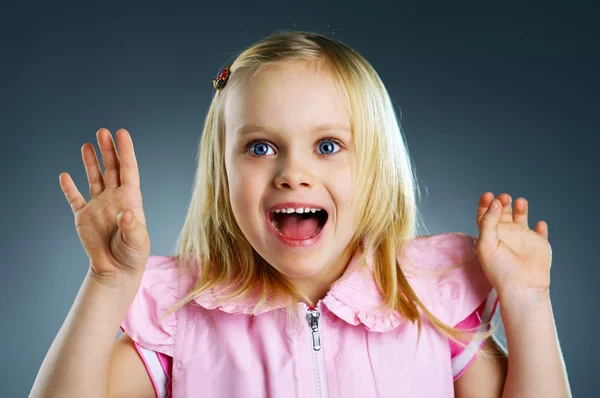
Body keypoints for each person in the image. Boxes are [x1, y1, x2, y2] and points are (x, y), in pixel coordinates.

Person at [31, 31, 571, 398]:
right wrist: (108, 283)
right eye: (261, 147)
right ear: (223, 174)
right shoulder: (182, 315)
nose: (293, 172)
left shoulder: (428, 298)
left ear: (375, 168)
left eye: (329, 146)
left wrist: (528, 302)